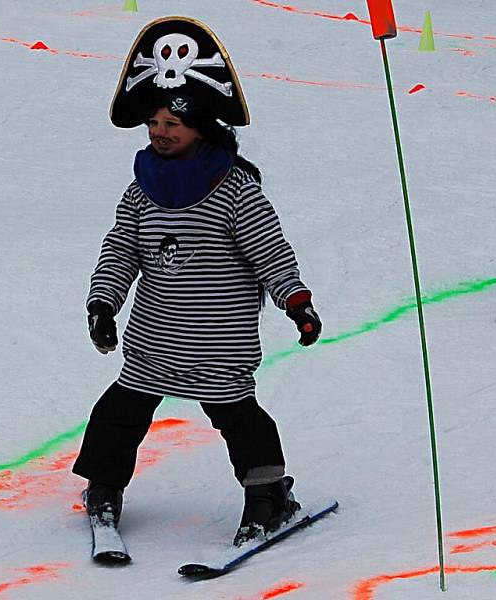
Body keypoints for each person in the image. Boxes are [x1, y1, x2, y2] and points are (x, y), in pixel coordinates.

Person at [71, 92, 322, 546]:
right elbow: (121, 250)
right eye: (154, 122)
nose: (160, 132)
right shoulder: (141, 187)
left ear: (202, 128)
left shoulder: (235, 190)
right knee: (119, 413)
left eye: (173, 123)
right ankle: (104, 487)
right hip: (155, 335)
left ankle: (268, 495)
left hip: (219, 338)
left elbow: (270, 252)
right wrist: (103, 304)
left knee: (239, 418)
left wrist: (296, 303)